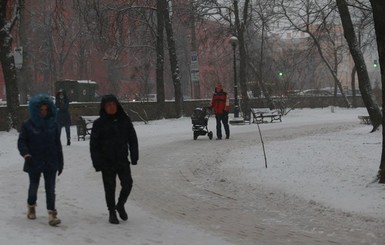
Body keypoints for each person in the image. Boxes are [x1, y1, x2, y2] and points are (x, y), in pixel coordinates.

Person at [90, 94, 139, 224]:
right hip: (107, 161)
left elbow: (132, 139)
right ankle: (112, 212)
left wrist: (134, 155)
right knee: (110, 188)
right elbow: (94, 145)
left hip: (122, 159)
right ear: (104, 107)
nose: (111, 107)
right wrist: (96, 162)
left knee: (128, 184)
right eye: (108, 105)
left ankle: (120, 204)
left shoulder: (124, 120)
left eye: (113, 104)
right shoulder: (99, 124)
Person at [17, 93, 63, 226]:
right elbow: (22, 142)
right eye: (41, 109)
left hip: (50, 160)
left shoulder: (53, 125)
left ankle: (52, 213)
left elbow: (57, 145)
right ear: (36, 110)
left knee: (50, 188)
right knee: (33, 186)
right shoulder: (28, 125)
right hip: (34, 160)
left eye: (46, 109)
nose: (43, 112)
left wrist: (60, 162)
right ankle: (31, 205)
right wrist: (26, 154)